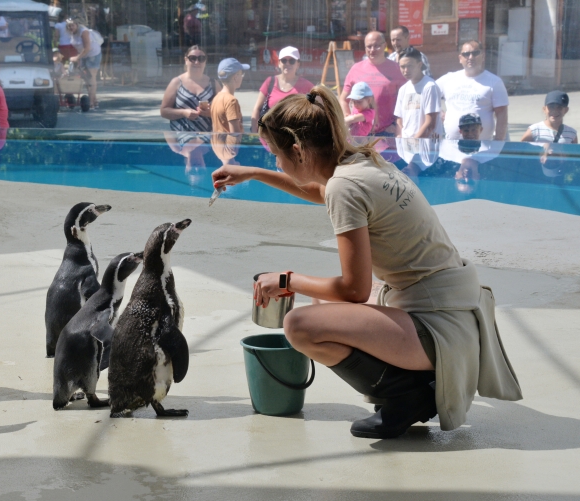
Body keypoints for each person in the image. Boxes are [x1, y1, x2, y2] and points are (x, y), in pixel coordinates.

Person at [211, 86, 522, 439]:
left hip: (439, 327)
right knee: (323, 303)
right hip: (453, 308)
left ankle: (406, 396)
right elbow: (319, 191)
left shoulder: (345, 187)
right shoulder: (362, 162)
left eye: (274, 155)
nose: (275, 162)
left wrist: (285, 280)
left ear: (297, 151)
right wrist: (254, 173)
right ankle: (413, 382)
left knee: (300, 325)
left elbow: (354, 290)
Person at [436, 40, 509, 141]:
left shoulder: (494, 82)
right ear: (460, 58)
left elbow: (502, 115)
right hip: (452, 147)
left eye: (475, 53)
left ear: (483, 56)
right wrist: (438, 112)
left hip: (483, 148)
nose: (470, 57)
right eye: (466, 54)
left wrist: (498, 144)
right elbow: (426, 95)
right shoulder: (448, 79)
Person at [340, 32, 406, 137]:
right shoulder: (356, 69)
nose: (372, 50)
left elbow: (405, 101)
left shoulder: (396, 69)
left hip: (386, 133)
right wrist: (349, 119)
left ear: (385, 45)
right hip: (360, 133)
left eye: (377, 46)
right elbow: (343, 99)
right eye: (369, 46)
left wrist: (397, 125)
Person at [160, 45, 219, 146]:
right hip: (182, 142)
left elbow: (225, 111)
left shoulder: (214, 84)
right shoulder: (176, 82)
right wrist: (183, 112)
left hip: (208, 144)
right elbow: (164, 111)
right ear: (186, 60)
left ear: (205, 61)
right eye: (193, 58)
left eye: (201, 58)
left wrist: (212, 113)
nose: (197, 62)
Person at [250, 46, 314, 132]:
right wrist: (255, 134)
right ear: (279, 63)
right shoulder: (270, 82)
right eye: (284, 60)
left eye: (291, 61)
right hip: (269, 139)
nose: (287, 63)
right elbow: (257, 109)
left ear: (298, 64)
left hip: (295, 140)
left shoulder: (307, 86)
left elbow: (318, 111)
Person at [394, 47, 442, 139]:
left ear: (419, 65)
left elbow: (430, 123)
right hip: (407, 148)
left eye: (410, 66)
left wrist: (414, 142)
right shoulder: (403, 89)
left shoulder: (430, 86)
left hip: (426, 147)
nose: (406, 70)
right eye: (403, 67)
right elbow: (399, 120)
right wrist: (400, 138)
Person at [67, 19, 103, 109]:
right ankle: (94, 100)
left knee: (91, 77)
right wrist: (78, 58)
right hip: (83, 56)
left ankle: (90, 103)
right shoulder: (72, 33)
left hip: (93, 54)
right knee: (86, 78)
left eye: (72, 25)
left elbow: (87, 48)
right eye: (69, 26)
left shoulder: (83, 32)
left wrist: (77, 58)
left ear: (77, 25)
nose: (71, 27)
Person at [211, 58, 249, 134]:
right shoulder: (231, 101)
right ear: (235, 77)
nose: (242, 77)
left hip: (217, 144)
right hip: (229, 145)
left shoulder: (216, 98)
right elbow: (235, 135)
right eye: (241, 74)